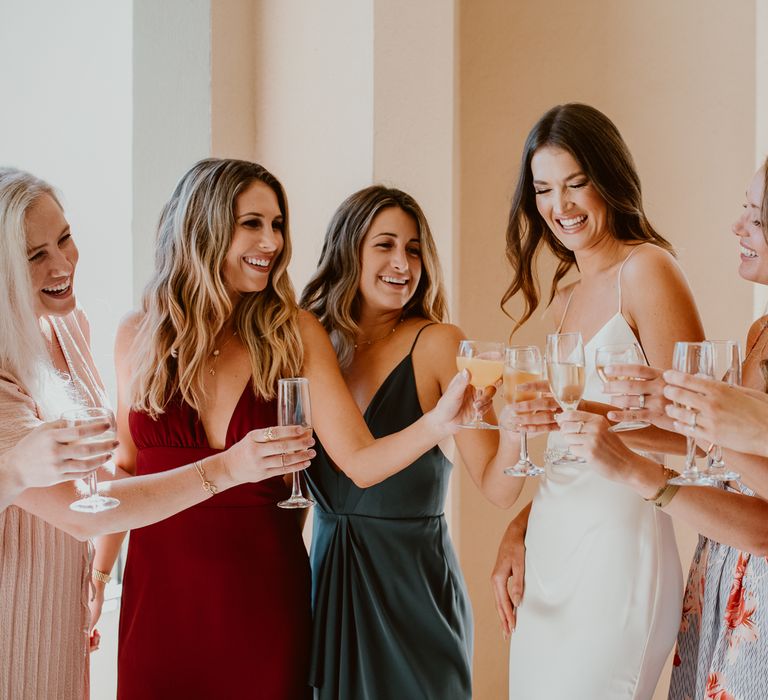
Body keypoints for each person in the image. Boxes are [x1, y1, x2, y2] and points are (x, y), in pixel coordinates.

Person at [88, 159, 472, 700]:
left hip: (263, 597)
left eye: (277, 224)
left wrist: (438, 422)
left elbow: (359, 463)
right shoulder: (137, 335)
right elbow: (126, 467)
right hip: (158, 597)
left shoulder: (293, 332)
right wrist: (100, 574)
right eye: (252, 223)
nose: (271, 240)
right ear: (206, 226)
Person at [0, 167, 313, 700]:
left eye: (66, 238)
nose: (63, 264)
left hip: (67, 602)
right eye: (35, 255)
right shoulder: (131, 333)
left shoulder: (67, 328)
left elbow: (109, 467)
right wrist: (228, 468)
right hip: (17, 605)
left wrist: (95, 578)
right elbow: (80, 507)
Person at [492, 103, 705, 699]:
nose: (560, 206)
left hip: (618, 548)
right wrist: (519, 526)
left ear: (608, 178)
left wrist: (606, 423)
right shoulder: (566, 297)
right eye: (543, 190)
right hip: (552, 545)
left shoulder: (648, 270)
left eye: (576, 184)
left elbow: (700, 439)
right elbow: (567, 445)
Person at [300, 185, 530, 699]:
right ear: (348, 249)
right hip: (326, 588)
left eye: (413, 248)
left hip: (414, 597)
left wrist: (516, 430)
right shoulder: (317, 344)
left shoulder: (439, 343)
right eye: (384, 245)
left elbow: (497, 488)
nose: (402, 262)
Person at [556, 157, 768, 699]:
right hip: (721, 568)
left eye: (756, 216)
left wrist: (650, 455)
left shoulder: (649, 270)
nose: (738, 226)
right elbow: (733, 474)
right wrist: (616, 422)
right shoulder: (760, 333)